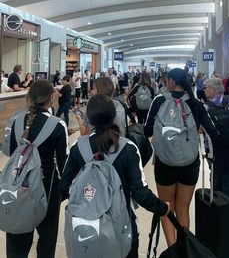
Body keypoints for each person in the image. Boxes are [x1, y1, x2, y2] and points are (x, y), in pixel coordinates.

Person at [60, 93, 170, 258]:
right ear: (113, 116)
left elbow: (64, 188)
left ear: (89, 118)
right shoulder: (128, 148)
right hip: (121, 226)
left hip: (86, 227)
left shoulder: (78, 147)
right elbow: (140, 193)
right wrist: (162, 208)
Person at [144, 68, 218, 247]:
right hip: (190, 164)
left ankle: (172, 250)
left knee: (166, 208)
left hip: (164, 163)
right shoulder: (196, 103)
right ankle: (184, 249)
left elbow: (146, 130)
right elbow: (213, 132)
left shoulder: (159, 101)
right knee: (183, 209)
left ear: (170, 81)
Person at [4, 79, 68, 258]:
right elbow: (64, 165)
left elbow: (9, 152)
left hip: (17, 188)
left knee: (17, 240)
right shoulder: (57, 124)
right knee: (47, 241)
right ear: (50, 97)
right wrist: (65, 192)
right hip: (46, 190)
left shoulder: (15, 120)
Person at [203, 77, 229, 199]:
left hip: (215, 150)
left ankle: (218, 208)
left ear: (212, 89)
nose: (204, 90)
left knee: (216, 180)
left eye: (205, 88)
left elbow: (201, 128)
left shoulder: (206, 107)